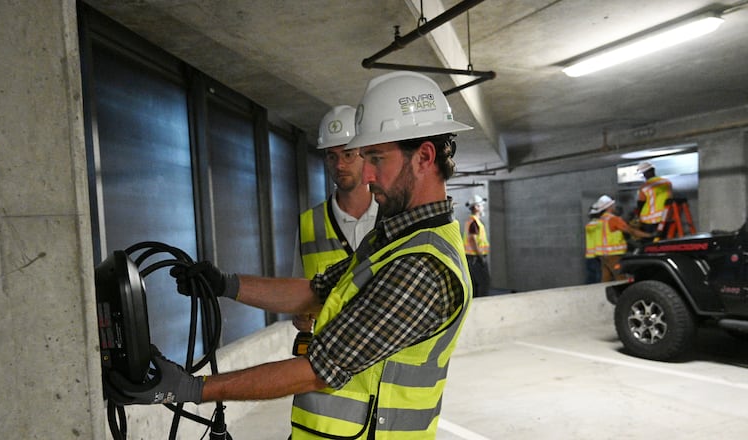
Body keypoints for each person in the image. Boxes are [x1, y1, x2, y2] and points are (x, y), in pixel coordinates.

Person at [108, 71, 474, 440]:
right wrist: (223, 284)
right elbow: (316, 291)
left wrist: (192, 388)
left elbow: (318, 368)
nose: (366, 175)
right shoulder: (395, 239)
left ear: (424, 157)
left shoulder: (423, 266)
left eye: (376, 158)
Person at [290, 105, 379, 355]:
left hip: (379, 359)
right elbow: (298, 292)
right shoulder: (308, 223)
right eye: (332, 156)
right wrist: (299, 315)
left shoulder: (392, 217)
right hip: (326, 359)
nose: (339, 164)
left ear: (366, 153)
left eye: (348, 154)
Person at [594, 195, 652, 281]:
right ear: (609, 207)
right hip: (613, 254)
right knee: (621, 278)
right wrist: (650, 235)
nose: (614, 207)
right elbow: (630, 231)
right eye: (612, 205)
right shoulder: (613, 219)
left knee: (606, 278)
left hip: (603, 255)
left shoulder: (600, 220)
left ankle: (601, 294)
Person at [634, 161, 672, 236]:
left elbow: (640, 203)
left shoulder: (645, 186)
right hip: (665, 217)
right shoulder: (667, 182)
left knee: (649, 243)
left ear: (644, 174)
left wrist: (638, 217)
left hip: (648, 220)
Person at [463, 194, 491, 296]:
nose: (483, 207)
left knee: (475, 284)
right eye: (481, 205)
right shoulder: (474, 222)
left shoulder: (473, 221)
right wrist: (480, 256)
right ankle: (482, 306)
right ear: (476, 207)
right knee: (484, 283)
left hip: (472, 257)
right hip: (475, 258)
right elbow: (472, 240)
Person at [584, 203, 602, 284]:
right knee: (598, 278)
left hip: (590, 255)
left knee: (591, 277)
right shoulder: (600, 224)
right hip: (597, 255)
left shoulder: (589, 225)